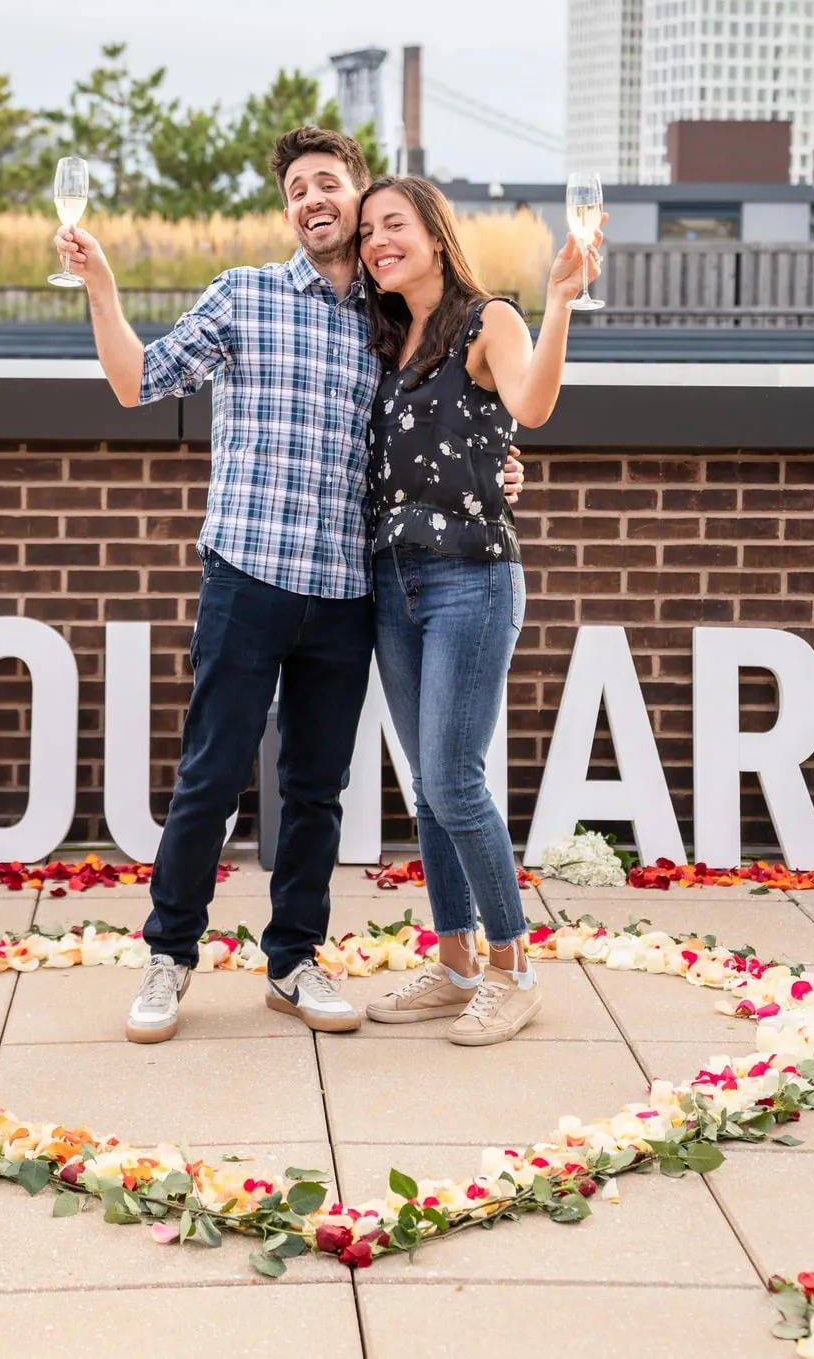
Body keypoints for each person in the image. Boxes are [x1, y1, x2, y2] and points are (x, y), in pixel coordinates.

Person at [54, 127, 525, 1044]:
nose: (315, 199)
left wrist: (510, 466)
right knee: (212, 776)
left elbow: (453, 421)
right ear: (289, 211)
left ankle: (294, 960)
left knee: (316, 788)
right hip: (247, 572)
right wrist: (102, 288)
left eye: (330, 184)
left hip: (348, 590)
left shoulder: (389, 322)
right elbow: (133, 380)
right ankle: (168, 956)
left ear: (357, 199)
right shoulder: (246, 294)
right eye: (298, 189)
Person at [357, 175, 603, 1046]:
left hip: (472, 577)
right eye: (367, 231)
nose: (379, 240)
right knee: (428, 786)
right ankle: (456, 959)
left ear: (434, 231)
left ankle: (512, 968)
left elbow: (531, 404)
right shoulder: (380, 336)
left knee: (456, 779)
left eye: (395, 223)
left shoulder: (486, 317)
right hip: (393, 582)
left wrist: (561, 300)